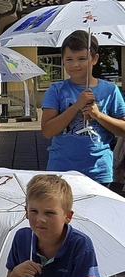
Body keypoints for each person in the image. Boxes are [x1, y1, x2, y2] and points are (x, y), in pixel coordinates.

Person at [6, 174, 104, 277]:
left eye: (49, 213)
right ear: (26, 212)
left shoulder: (80, 245)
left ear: (68, 216)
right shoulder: (22, 238)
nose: (40, 219)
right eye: (34, 211)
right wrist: (18, 272)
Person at [41, 30, 125, 185]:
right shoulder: (56, 90)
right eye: (69, 59)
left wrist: (98, 115)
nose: (75, 64)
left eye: (82, 58)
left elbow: (122, 129)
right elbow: (47, 131)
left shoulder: (110, 90)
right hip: (61, 171)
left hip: (99, 172)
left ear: (94, 59)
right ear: (63, 61)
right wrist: (77, 106)